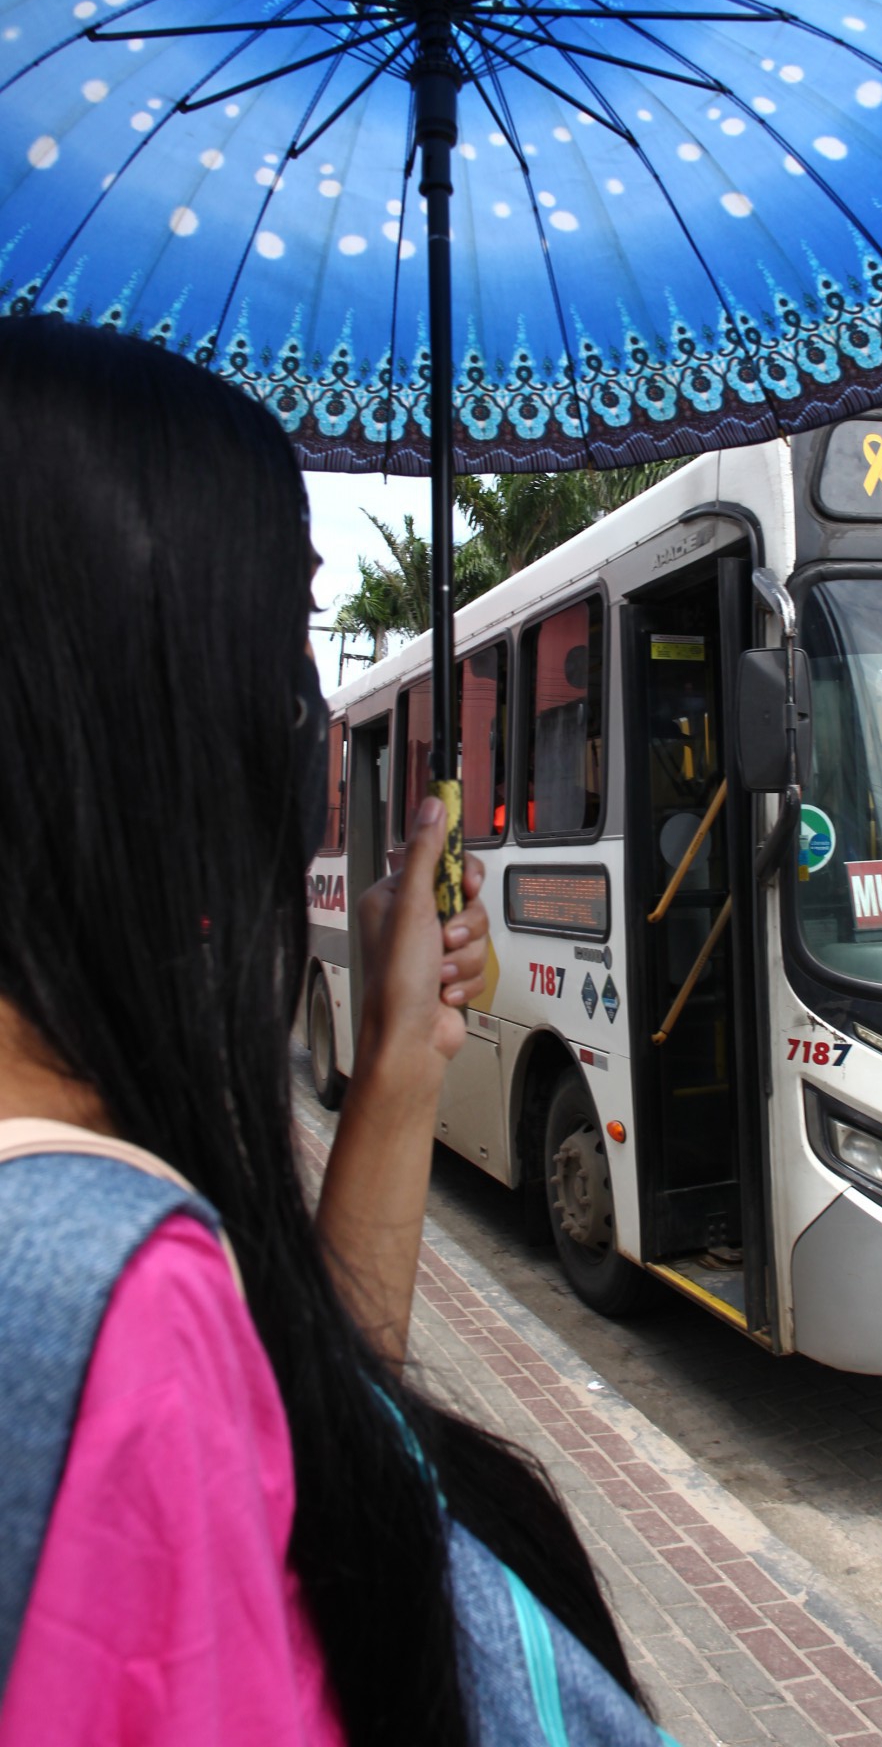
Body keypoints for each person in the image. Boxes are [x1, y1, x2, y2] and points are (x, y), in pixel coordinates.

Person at [0, 317, 667, 1746]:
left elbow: (307, 1434)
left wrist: (400, 1060)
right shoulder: (104, 1303)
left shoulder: (102, 1203)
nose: (304, 706)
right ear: (146, 683)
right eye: (284, 625)